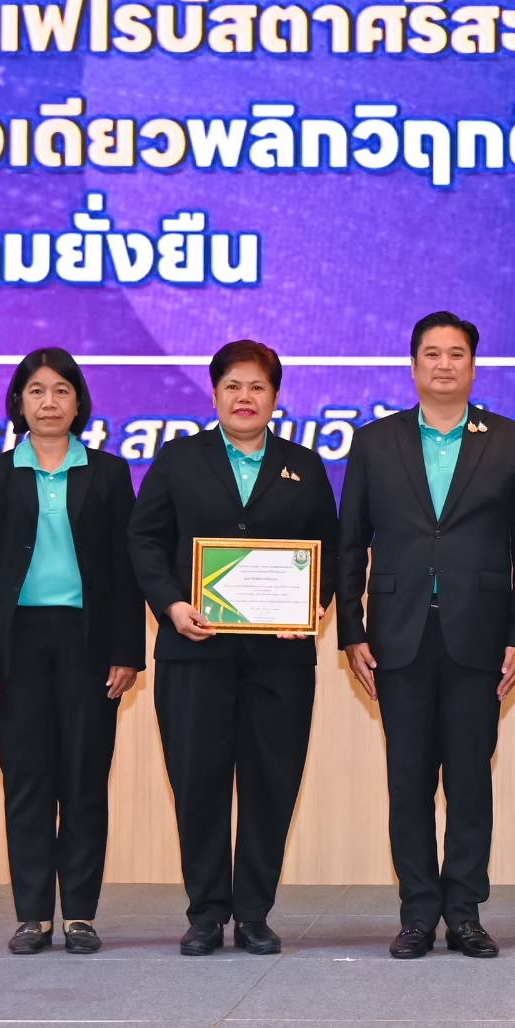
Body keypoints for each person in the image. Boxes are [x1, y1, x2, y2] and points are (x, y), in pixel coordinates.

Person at [337, 310, 515, 959]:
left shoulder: (510, 441)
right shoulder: (375, 442)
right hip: (396, 637)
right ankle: (418, 913)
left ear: (473, 366)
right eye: (432, 353)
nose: (444, 364)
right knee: (409, 782)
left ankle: (465, 912)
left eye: (457, 354)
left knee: (470, 781)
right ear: (414, 365)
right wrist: (351, 630)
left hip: (480, 636)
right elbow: (350, 544)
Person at [128, 340, 338, 957]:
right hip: (195, 654)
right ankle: (205, 912)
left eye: (258, 387)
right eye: (233, 387)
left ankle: (253, 913)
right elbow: (144, 541)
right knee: (198, 783)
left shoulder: (304, 465)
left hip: (280, 660)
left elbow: (330, 549)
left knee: (271, 784)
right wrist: (172, 605)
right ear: (215, 393)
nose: (245, 398)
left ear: (276, 397)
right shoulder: (179, 459)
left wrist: (311, 606)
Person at [0, 347, 144, 955]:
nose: (48, 403)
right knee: (27, 779)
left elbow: (126, 570)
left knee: (85, 779)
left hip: (89, 643)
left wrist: (127, 650)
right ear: (19, 402)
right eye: (37, 391)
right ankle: (33, 915)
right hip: (18, 646)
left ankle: (81, 915)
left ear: (78, 402)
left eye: (61, 391)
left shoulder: (109, 473)